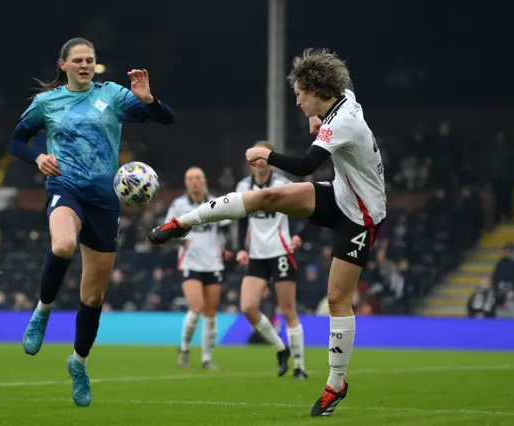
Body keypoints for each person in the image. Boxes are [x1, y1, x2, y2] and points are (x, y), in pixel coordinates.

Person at [147, 49, 386, 417]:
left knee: (338, 299)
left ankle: (336, 384)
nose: (296, 100)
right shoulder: (344, 101)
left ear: (316, 89)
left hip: (362, 215)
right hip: (341, 193)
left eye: (299, 94)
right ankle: (181, 223)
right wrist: (317, 117)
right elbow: (342, 93)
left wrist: (267, 154)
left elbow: (306, 165)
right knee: (268, 196)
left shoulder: (344, 122)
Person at [8, 37, 174, 407]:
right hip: (65, 187)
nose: (85, 65)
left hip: (104, 200)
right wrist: (37, 159)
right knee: (63, 245)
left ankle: (78, 362)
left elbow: (165, 119)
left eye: (91, 60)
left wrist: (148, 99)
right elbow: (16, 142)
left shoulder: (112, 95)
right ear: (63, 64)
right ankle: (42, 311)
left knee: (94, 294)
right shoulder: (46, 103)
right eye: (79, 60)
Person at [235, 141, 308, 379]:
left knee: (287, 310)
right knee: (248, 308)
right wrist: (240, 248)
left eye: (262, 157)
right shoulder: (243, 186)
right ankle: (280, 347)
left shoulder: (283, 185)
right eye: (254, 158)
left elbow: (306, 209)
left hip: (280, 252)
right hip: (256, 255)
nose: (258, 162)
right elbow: (241, 218)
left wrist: (299, 236)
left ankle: (299, 366)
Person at [165, 167, 232, 370]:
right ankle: (184, 348)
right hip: (190, 262)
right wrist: (179, 242)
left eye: (198, 178)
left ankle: (206, 358)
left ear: (204, 181)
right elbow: (166, 232)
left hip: (213, 263)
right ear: (186, 183)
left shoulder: (215, 203)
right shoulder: (179, 205)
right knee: (196, 307)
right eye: (190, 178)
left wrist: (228, 247)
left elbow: (226, 229)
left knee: (211, 312)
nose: (194, 182)